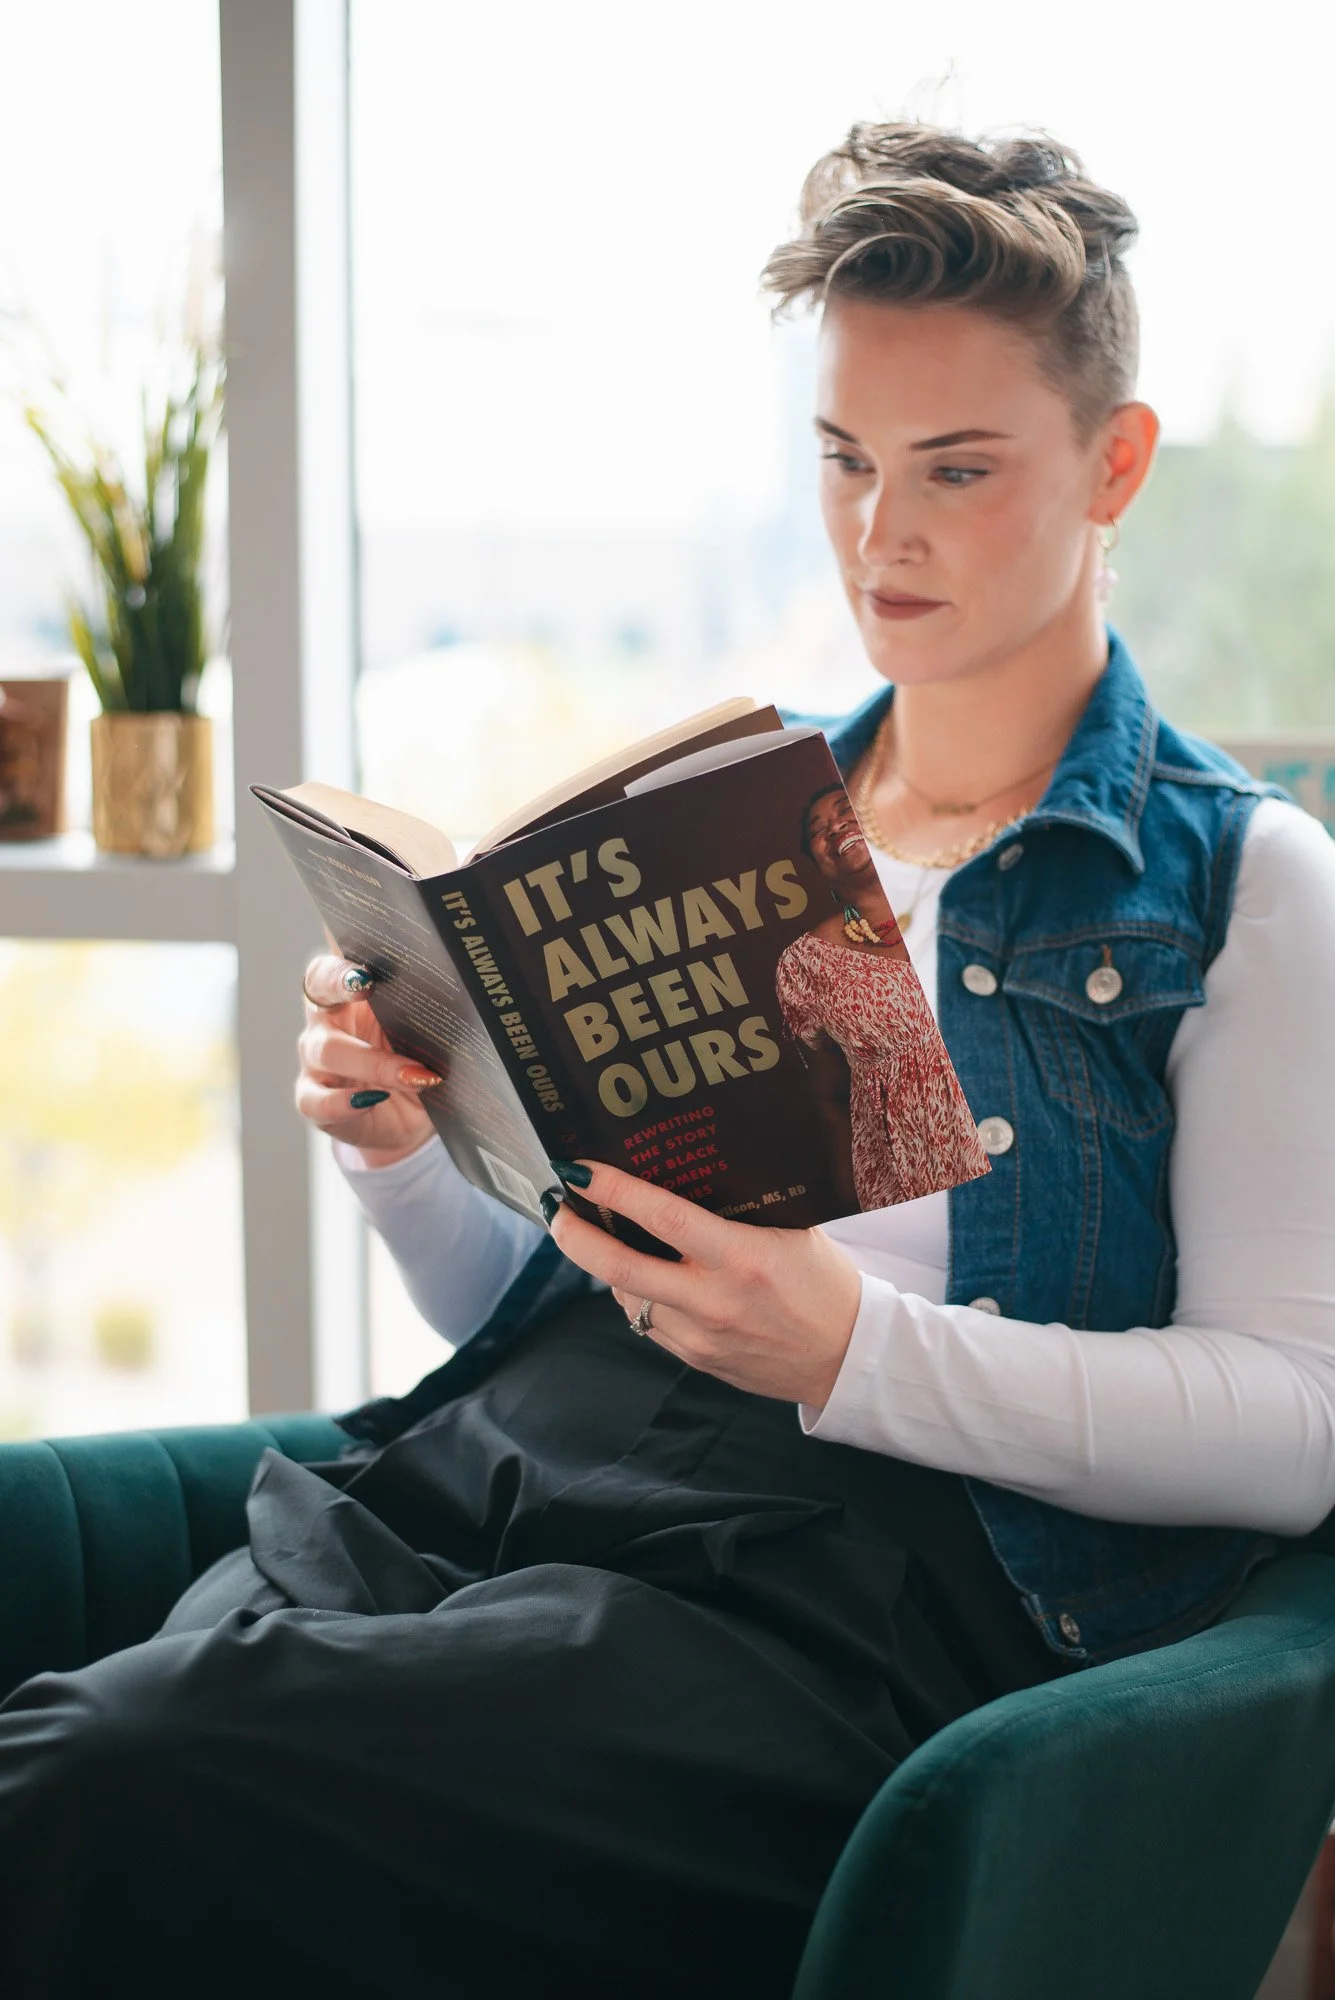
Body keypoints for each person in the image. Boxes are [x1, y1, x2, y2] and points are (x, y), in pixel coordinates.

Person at [4, 122, 1335, 2000]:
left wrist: (856, 1350)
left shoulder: (1240, 884)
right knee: (95, 1766)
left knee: (104, 1777)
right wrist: (404, 1148)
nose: (887, 532)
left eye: (957, 469)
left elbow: (1300, 1424)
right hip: (506, 1476)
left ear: (1114, 461)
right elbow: (567, 1296)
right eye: (847, 463)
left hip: (833, 1597)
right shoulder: (742, 805)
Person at [774, 779, 989, 1208]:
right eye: (819, 829)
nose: (835, 827)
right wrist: (851, 1207)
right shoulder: (805, 964)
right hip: (901, 1186)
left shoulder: (969, 894)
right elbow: (830, 1096)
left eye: (846, 809)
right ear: (815, 863)